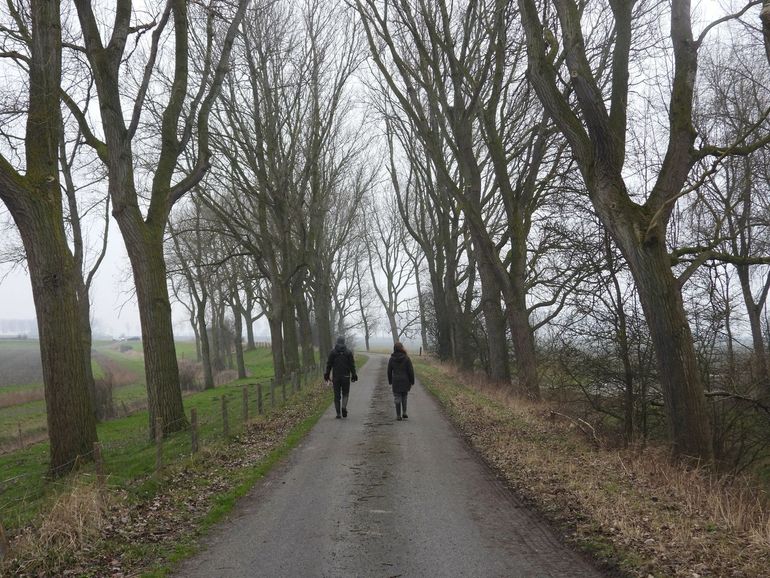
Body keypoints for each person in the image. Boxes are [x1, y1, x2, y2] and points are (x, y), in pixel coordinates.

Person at [324, 336, 357, 418]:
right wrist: (354, 375)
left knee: (337, 395)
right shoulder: (348, 352)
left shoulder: (333, 352)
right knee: (345, 393)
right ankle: (344, 407)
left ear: (337, 342)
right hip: (346, 376)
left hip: (336, 377)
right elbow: (352, 365)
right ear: (344, 342)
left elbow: (329, 365)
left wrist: (327, 375)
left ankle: (338, 414)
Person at [387, 341, 414, 421]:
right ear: (402, 348)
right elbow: (410, 371)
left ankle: (398, 415)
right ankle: (404, 412)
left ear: (394, 349)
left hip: (396, 380)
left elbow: (389, 371)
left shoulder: (392, 359)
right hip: (405, 380)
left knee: (397, 397)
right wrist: (412, 381)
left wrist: (390, 380)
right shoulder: (406, 358)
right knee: (404, 396)